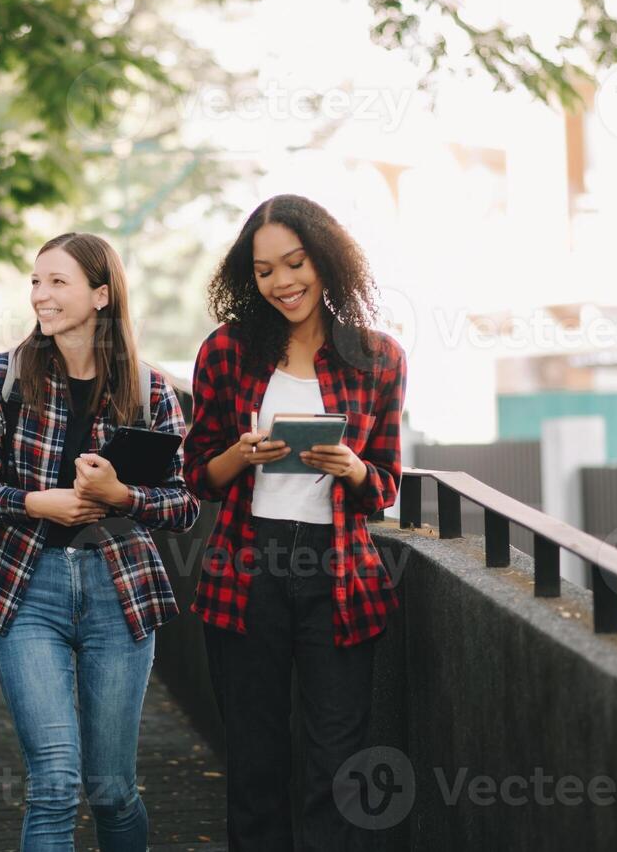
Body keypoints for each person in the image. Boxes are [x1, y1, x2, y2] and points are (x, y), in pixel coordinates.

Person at [182, 194, 408, 851]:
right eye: (264, 271)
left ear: (326, 260)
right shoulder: (226, 352)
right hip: (245, 570)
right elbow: (198, 475)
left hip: (337, 574)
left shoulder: (378, 358)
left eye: (295, 263)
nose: (282, 282)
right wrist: (240, 454)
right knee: (254, 761)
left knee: (334, 763)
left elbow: (386, 486)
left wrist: (352, 468)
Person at [0, 232, 200, 851]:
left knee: (111, 789)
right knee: (54, 783)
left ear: (101, 294)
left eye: (58, 282)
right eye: (36, 282)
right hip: (28, 588)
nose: (41, 295)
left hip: (119, 594)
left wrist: (123, 497)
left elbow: (184, 503)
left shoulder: (149, 391)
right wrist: (35, 502)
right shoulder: (1, 377)